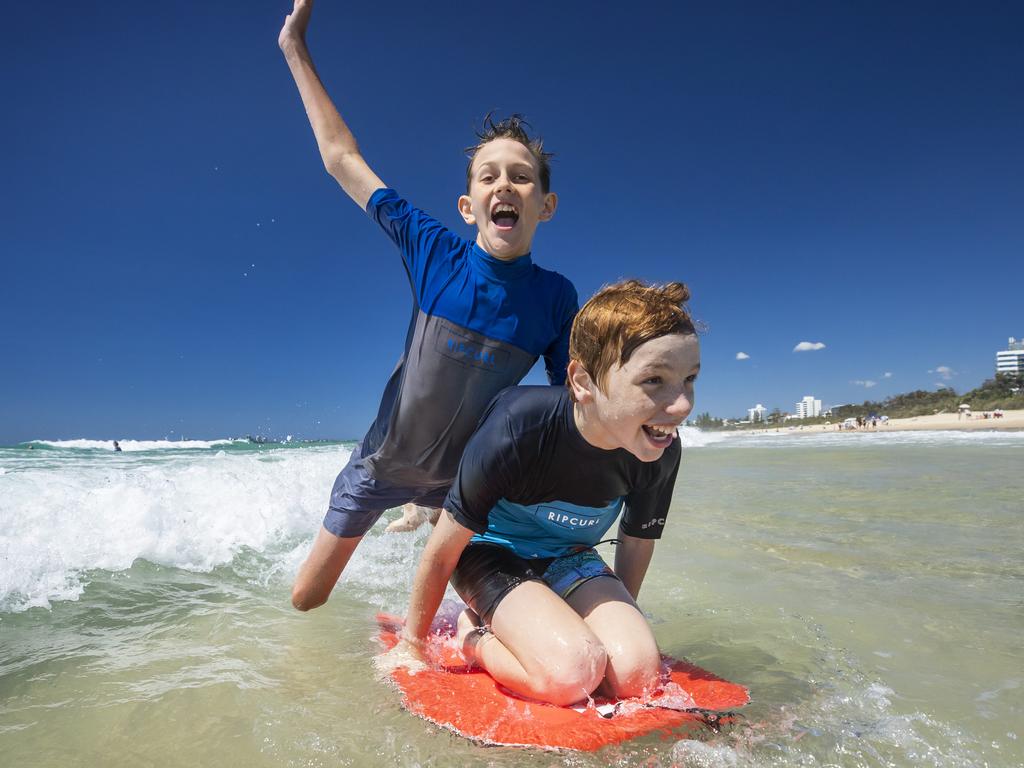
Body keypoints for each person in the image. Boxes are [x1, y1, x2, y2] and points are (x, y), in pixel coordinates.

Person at [279, 0, 578, 611]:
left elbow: (570, 401)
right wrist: (294, 46)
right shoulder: (434, 252)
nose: (504, 185)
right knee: (306, 599)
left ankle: (424, 518)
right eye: (487, 176)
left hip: (464, 483)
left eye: (521, 177)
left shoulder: (554, 296)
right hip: (381, 464)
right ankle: (406, 511)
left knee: (464, 598)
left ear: (545, 205)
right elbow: (342, 159)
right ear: (468, 206)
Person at [399, 280, 699, 707]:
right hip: (489, 551)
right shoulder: (519, 428)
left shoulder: (659, 450)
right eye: (654, 380)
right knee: (571, 673)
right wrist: (412, 642)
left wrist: (617, 623)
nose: (683, 404)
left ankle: (541, 620)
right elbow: (443, 550)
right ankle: (473, 636)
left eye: (689, 379)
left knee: (636, 675)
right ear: (581, 380)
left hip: (569, 555)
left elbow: (636, 544)